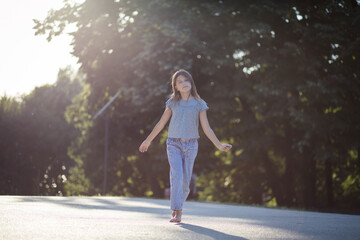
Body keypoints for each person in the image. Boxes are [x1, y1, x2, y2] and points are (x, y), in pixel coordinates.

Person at [139, 69, 232, 223]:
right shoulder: (172, 103)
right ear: (175, 86)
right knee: (176, 175)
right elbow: (161, 123)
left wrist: (219, 145)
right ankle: (177, 211)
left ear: (191, 82)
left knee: (185, 180)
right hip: (173, 143)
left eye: (186, 80)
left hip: (191, 145)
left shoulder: (199, 104)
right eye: (179, 82)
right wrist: (148, 140)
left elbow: (207, 128)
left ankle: (178, 206)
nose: (184, 84)